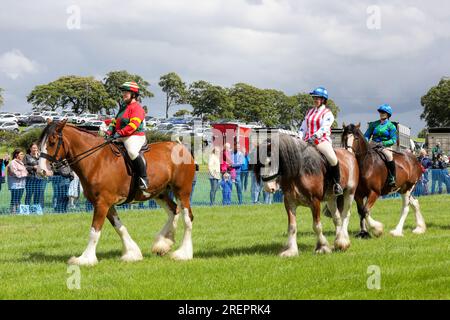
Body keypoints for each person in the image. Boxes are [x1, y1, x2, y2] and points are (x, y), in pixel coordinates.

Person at [298, 86, 343, 194]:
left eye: (317, 98)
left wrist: (315, 136)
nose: (315, 100)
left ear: (323, 100)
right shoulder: (309, 112)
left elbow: (325, 127)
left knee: (332, 158)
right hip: (307, 141)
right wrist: (299, 137)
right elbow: (303, 126)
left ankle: (337, 184)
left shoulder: (327, 113)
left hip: (321, 140)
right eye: (314, 98)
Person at [106, 81, 148, 191]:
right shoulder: (123, 107)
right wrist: (110, 131)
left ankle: (143, 178)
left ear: (133, 95)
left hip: (134, 136)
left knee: (132, 152)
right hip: (121, 136)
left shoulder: (137, 108)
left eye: (126, 92)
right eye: (123, 92)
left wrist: (119, 133)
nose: (123, 94)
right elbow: (115, 121)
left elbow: (132, 126)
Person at [364, 104, 398, 187]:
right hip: (373, 144)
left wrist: (383, 143)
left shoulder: (391, 126)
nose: (381, 113)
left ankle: (392, 177)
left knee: (389, 156)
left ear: (388, 114)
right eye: (380, 112)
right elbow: (367, 135)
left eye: (384, 112)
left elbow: (393, 140)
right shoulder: (374, 124)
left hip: (384, 146)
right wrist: (366, 142)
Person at [24, 142, 47, 210]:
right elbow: (24, 166)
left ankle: (36, 209)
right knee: (29, 194)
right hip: (30, 178)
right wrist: (33, 167)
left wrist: (38, 158)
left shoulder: (40, 157)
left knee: (38, 195)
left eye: (36, 148)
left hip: (40, 179)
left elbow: (44, 166)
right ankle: (27, 209)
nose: (35, 149)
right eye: (33, 148)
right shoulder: (27, 156)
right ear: (30, 149)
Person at [7, 149, 28, 214]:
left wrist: (24, 173)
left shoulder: (21, 162)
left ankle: (18, 212)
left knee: (18, 199)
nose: (22, 155)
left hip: (21, 184)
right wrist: (25, 174)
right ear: (16, 155)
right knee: (14, 199)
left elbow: (25, 171)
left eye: (23, 154)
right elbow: (15, 173)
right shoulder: (13, 162)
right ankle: (13, 212)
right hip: (15, 185)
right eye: (21, 154)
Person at [231, 139, 244, 205]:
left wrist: (232, 165)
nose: (238, 148)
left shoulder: (241, 154)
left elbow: (240, 164)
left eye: (239, 147)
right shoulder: (231, 153)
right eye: (237, 146)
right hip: (230, 173)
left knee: (239, 189)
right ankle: (227, 202)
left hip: (237, 174)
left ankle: (240, 202)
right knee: (228, 189)